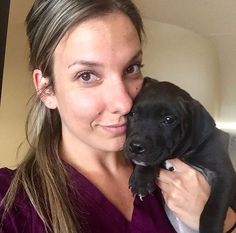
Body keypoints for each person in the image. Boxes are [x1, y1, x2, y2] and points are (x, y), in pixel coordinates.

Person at [0, 0, 235, 232]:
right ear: (46, 89)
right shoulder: (9, 204)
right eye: (87, 75)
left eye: (131, 68)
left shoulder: (178, 165)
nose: (124, 103)